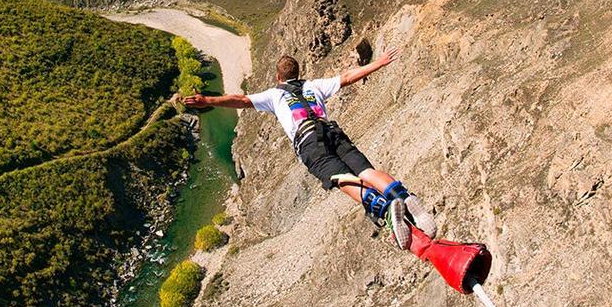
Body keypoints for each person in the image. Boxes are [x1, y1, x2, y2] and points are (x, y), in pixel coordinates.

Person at [183, 50, 437, 249]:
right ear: (298, 72)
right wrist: (379, 63)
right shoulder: (313, 86)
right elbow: (347, 77)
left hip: (309, 142)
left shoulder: (274, 94)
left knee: (341, 178)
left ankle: (385, 210)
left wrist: (208, 100)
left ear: (278, 77)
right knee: (367, 171)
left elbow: (240, 100)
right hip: (333, 131)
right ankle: (405, 198)